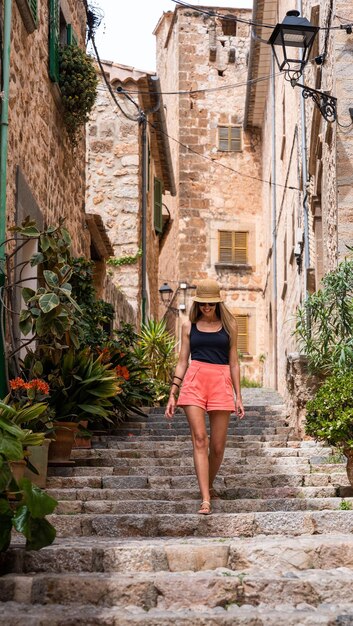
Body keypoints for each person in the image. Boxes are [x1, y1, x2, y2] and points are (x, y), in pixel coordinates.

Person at [165, 278, 245, 515]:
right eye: (202, 304)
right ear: (197, 304)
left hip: (221, 382)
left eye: (210, 304)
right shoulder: (188, 326)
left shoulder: (230, 326)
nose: (206, 308)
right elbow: (182, 361)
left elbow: (234, 362)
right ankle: (205, 498)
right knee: (200, 440)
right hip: (194, 381)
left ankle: (208, 484)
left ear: (217, 303)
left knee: (218, 446)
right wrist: (172, 393)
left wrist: (238, 396)